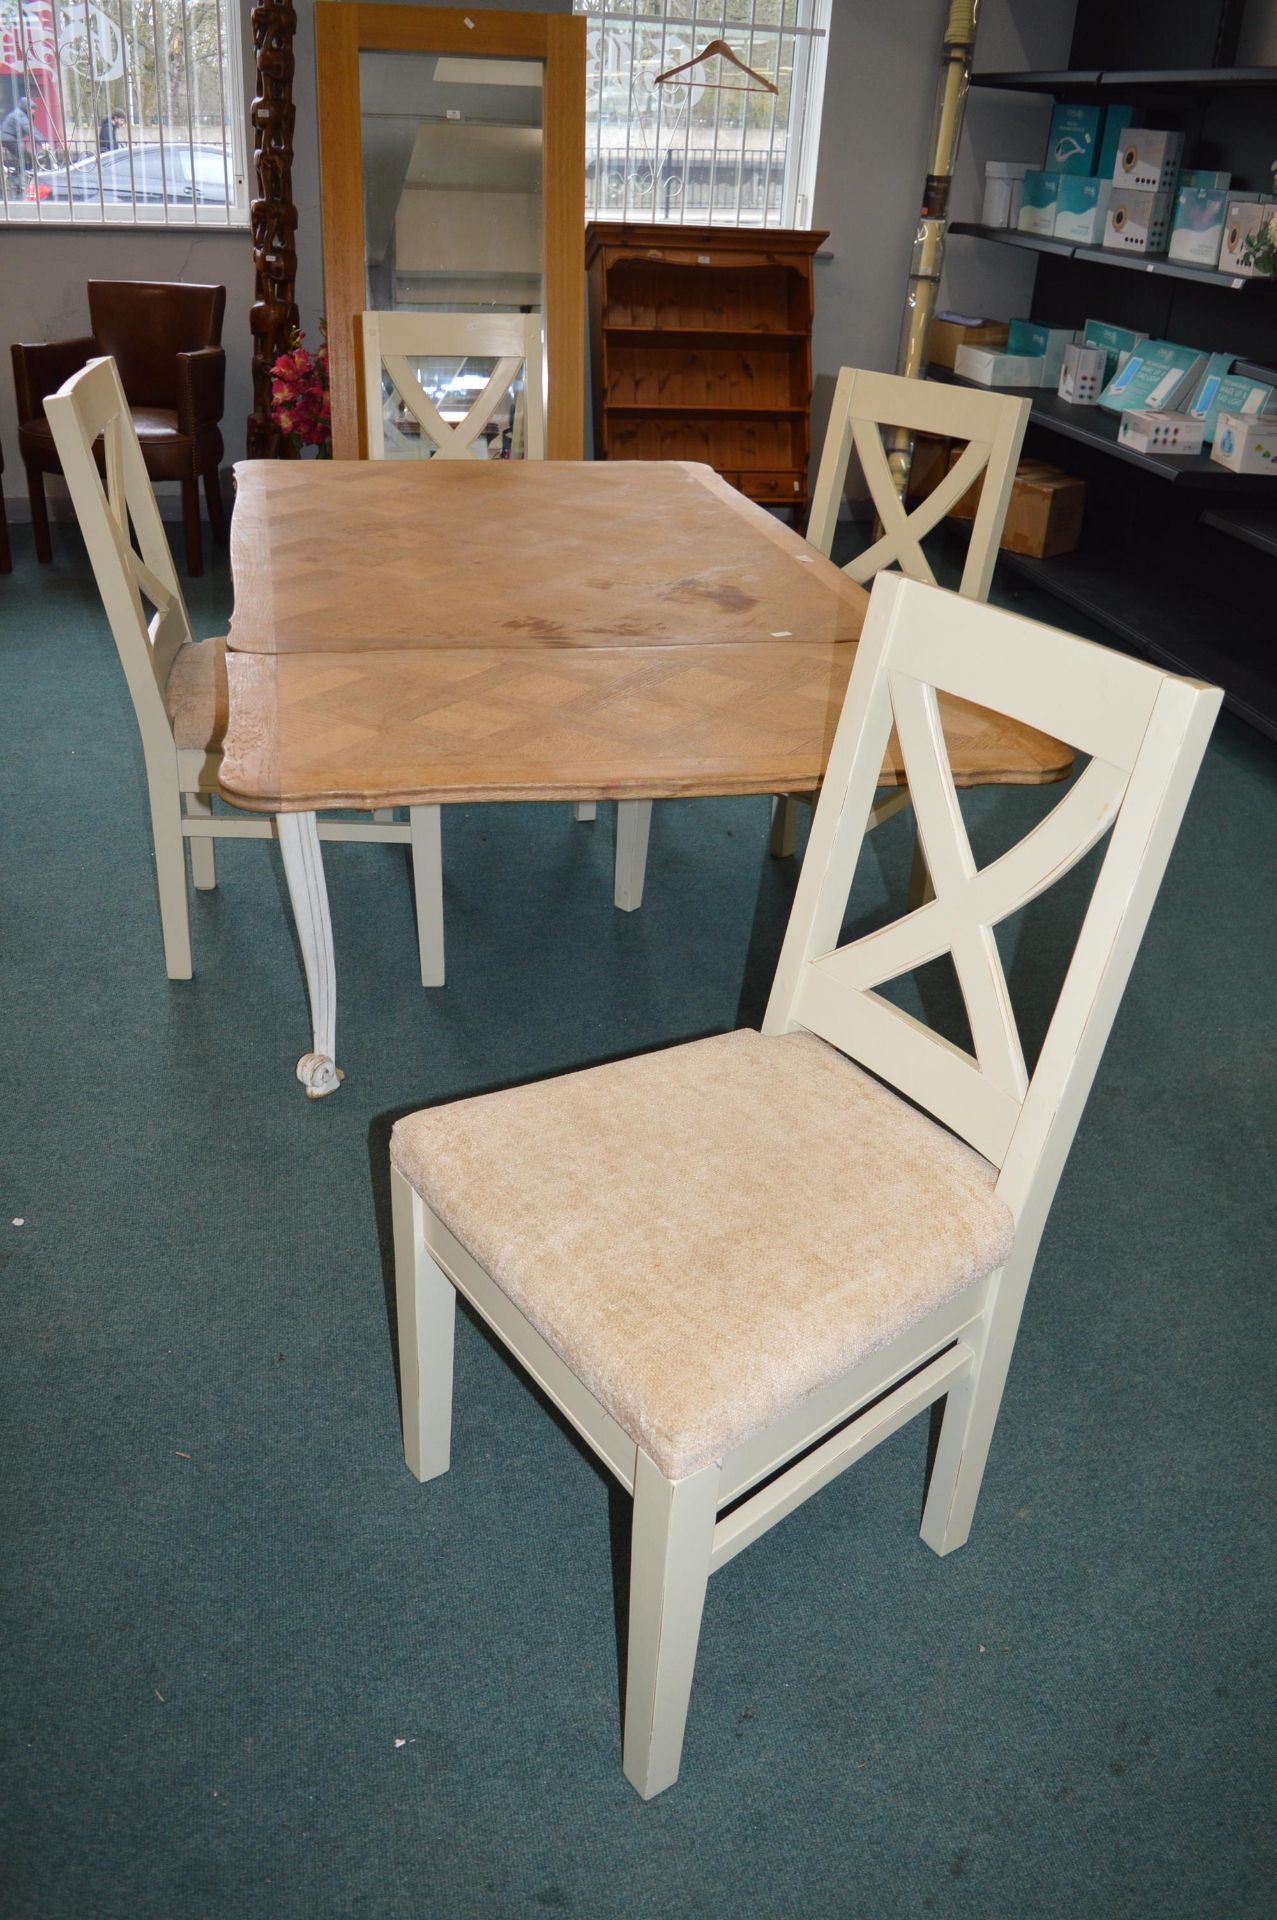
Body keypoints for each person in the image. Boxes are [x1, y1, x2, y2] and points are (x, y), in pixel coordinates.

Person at [1, 92, 33, 185]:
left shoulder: (19, 114)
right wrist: (40, 141)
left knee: (23, 156)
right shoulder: (20, 114)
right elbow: (30, 129)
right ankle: (17, 176)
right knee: (25, 156)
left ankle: (17, 174)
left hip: (7, 138)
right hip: (9, 138)